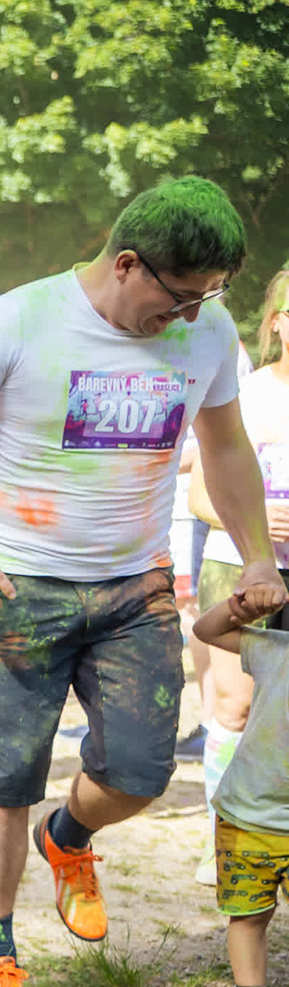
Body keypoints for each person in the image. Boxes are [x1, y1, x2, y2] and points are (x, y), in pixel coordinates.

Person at [0, 176, 284, 987]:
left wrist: (256, 552)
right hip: (18, 587)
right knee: (1, 779)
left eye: (210, 296)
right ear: (128, 263)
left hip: (136, 586)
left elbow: (224, 445)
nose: (192, 316)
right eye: (181, 297)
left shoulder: (208, 328)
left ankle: (67, 836)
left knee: (141, 771)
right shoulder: (20, 320)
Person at [189, 266, 289, 886]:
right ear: (276, 322)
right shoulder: (246, 394)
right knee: (234, 705)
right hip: (238, 562)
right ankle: (222, 835)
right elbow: (201, 496)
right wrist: (258, 520)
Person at [193, 579, 288, 987]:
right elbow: (205, 629)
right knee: (248, 915)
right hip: (248, 816)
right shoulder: (274, 649)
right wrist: (240, 607)